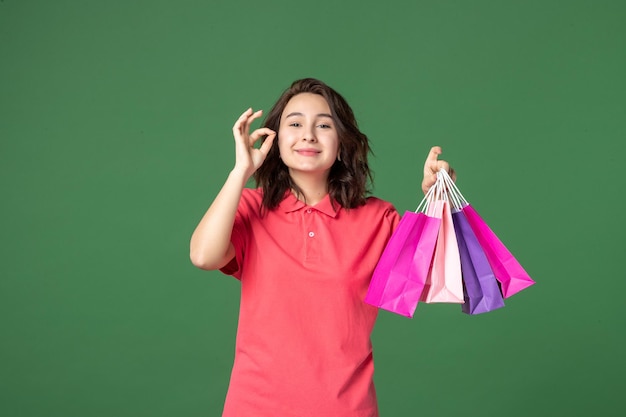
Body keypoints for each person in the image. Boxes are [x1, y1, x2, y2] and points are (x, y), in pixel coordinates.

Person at [190, 78, 454, 417]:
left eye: (324, 125)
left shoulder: (377, 218)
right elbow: (203, 256)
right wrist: (241, 171)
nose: (308, 135)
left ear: (342, 143)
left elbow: (438, 277)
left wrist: (438, 199)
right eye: (295, 123)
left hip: (347, 408)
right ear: (275, 138)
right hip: (254, 407)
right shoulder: (250, 208)